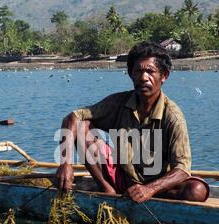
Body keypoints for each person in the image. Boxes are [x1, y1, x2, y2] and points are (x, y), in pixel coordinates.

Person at [56, 41, 209, 203]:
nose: (144, 78)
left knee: (196, 191)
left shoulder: (172, 116)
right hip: (122, 178)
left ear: (164, 76)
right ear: (131, 74)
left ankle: (146, 196)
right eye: (138, 71)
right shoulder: (118, 102)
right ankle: (108, 190)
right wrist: (66, 164)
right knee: (81, 126)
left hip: (157, 185)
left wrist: (149, 189)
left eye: (150, 71)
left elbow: (183, 169)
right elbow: (72, 117)